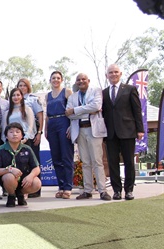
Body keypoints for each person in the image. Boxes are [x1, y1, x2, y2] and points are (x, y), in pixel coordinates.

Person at [65, 73, 111, 201]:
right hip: (80, 130)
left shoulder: (96, 91)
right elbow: (68, 114)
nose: (81, 81)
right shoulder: (73, 97)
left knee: (97, 161)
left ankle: (102, 191)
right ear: (76, 82)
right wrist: (87, 110)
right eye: (78, 80)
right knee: (85, 162)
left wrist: (76, 110)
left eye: (83, 79)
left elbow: (96, 106)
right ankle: (87, 190)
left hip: (93, 130)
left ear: (88, 80)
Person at [102, 64, 144, 200]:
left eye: (116, 72)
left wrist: (140, 129)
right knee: (112, 163)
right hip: (110, 133)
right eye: (110, 72)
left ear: (120, 74)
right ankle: (117, 191)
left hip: (128, 131)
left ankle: (129, 190)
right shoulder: (103, 92)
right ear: (106, 75)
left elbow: (137, 110)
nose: (113, 74)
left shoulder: (130, 89)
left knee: (129, 162)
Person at [0, 123, 41, 207]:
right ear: (6, 136)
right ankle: (11, 195)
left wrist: (31, 176)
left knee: (37, 183)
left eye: (17, 132)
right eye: (11, 132)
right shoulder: (0, 150)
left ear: (22, 135)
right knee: (9, 177)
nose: (14, 134)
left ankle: (20, 194)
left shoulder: (27, 149)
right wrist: (9, 170)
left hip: (24, 179)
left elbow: (36, 168)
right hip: (8, 179)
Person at [45, 71, 74, 199]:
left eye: (58, 78)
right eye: (53, 78)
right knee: (56, 157)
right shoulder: (48, 96)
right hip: (52, 123)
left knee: (66, 156)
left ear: (61, 80)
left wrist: (71, 126)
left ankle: (68, 187)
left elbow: (73, 110)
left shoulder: (67, 92)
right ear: (50, 80)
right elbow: (46, 114)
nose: (55, 80)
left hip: (64, 122)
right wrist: (46, 129)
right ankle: (61, 186)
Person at [17, 78, 44, 198]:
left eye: (24, 85)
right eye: (20, 85)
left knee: (33, 162)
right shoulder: (15, 100)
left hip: (31, 136)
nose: (22, 87)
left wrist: (39, 132)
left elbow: (40, 116)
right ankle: (23, 189)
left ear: (28, 87)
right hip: (17, 137)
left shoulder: (33, 99)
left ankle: (35, 190)